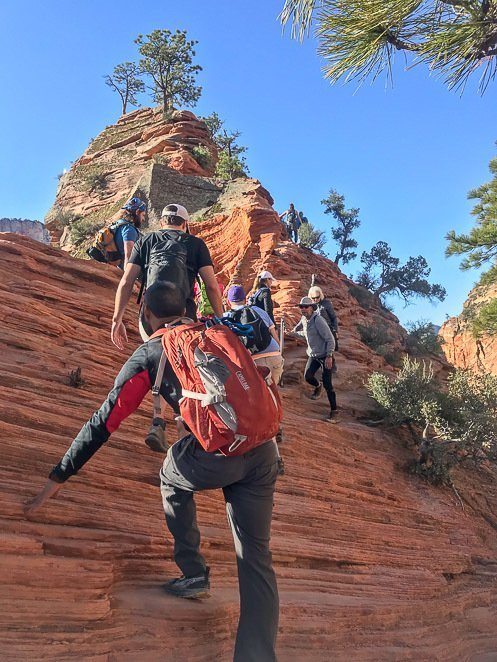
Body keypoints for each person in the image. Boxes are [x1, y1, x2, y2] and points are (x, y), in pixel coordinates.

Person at [25, 281, 280, 662]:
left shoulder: (151, 353)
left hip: (218, 453)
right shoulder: (215, 329)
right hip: (263, 450)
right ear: (189, 308)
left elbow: (104, 421)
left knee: (171, 474)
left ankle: (193, 572)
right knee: (255, 557)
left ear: (145, 313)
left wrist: (59, 476)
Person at [111, 203, 223, 349]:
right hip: (185, 316)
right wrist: (221, 319)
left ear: (162, 222)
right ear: (184, 224)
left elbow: (126, 282)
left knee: (154, 356)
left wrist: (116, 320)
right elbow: (211, 286)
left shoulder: (144, 241)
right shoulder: (196, 244)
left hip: (150, 318)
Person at [224, 285, 283, 385]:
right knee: (273, 393)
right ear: (245, 299)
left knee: (259, 397)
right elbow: (275, 337)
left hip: (254, 362)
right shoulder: (258, 310)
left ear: (228, 302)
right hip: (274, 356)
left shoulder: (226, 317)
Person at [293, 296, 338, 423]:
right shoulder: (304, 319)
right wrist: (292, 334)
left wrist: (329, 356)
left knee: (328, 384)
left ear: (312, 308)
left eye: (306, 307)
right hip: (313, 355)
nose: (303, 309)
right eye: (301, 307)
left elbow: (330, 339)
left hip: (325, 355)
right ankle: (318, 386)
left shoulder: (318, 320)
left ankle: (334, 411)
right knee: (308, 376)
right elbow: (305, 333)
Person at [308, 285, 339, 350]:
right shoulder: (309, 305)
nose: (315, 299)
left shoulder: (326, 303)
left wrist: (335, 330)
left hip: (327, 330)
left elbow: (333, 317)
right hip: (316, 332)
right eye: (313, 298)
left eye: (317, 297)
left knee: (329, 351)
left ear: (320, 295)